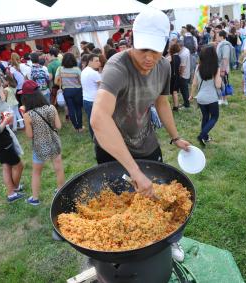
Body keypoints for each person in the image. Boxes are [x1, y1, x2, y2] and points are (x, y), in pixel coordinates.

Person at [90, 7, 190, 262]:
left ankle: (168, 242)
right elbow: (98, 118)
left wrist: (175, 137)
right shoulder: (117, 67)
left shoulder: (164, 67)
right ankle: (122, 248)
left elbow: (162, 103)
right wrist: (134, 171)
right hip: (113, 148)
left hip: (145, 139)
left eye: (155, 50)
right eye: (142, 48)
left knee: (157, 195)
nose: (148, 57)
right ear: (132, 40)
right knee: (121, 198)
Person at [19, 80, 65, 206]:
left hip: (40, 146)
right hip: (54, 141)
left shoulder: (28, 115)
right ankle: (61, 189)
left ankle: (35, 198)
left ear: (26, 98)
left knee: (36, 172)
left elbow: (29, 135)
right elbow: (59, 126)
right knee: (58, 168)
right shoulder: (51, 107)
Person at [189, 45, 222, 147]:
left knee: (205, 117)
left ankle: (205, 137)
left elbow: (194, 83)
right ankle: (202, 135)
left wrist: (191, 95)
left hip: (200, 98)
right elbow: (218, 85)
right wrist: (219, 76)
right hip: (211, 98)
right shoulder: (216, 68)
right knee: (215, 117)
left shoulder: (199, 67)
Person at [56, 53, 83, 132]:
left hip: (66, 90)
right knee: (78, 109)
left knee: (70, 109)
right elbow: (81, 81)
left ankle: (76, 127)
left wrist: (63, 83)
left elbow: (56, 81)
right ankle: (80, 127)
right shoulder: (77, 69)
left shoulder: (60, 69)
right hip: (77, 90)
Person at [81, 54, 101, 138]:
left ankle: (94, 137)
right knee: (98, 121)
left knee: (91, 120)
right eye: (96, 61)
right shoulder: (94, 73)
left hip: (86, 99)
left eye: (98, 60)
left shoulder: (83, 71)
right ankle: (99, 138)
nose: (99, 63)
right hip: (94, 100)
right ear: (90, 61)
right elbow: (103, 86)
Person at [216, 30, 231, 105]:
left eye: (217, 36)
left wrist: (223, 70)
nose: (216, 37)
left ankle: (224, 100)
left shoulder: (225, 45)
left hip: (222, 68)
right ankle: (221, 98)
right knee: (220, 83)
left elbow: (225, 58)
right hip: (220, 67)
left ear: (221, 37)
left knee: (223, 83)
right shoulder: (221, 44)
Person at [168, 42, 181, 111]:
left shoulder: (171, 57)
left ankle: (172, 106)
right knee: (175, 92)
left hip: (172, 76)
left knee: (170, 92)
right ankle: (176, 106)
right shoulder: (178, 57)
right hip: (177, 76)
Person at [178, 39, 191, 108]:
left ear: (180, 46)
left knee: (184, 91)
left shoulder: (183, 54)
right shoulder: (186, 49)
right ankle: (186, 103)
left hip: (183, 75)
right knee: (184, 90)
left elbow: (182, 67)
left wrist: (180, 75)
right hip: (187, 73)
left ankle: (187, 105)